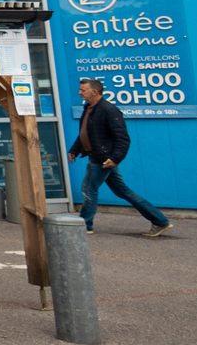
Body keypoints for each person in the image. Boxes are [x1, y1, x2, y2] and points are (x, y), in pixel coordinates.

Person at [69, 78, 172, 237]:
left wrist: (115, 158)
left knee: (88, 189)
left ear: (95, 92)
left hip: (102, 160)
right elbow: (86, 132)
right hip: (101, 158)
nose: (79, 93)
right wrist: (75, 150)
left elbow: (123, 138)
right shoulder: (89, 108)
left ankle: (84, 225)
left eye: (83, 90)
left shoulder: (109, 110)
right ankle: (160, 221)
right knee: (123, 191)